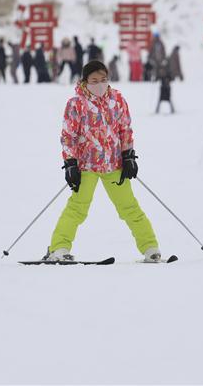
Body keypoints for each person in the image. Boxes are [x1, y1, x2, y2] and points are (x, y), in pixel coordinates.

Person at [45, 60, 162, 262]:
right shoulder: (76, 104)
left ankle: (151, 248)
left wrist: (128, 156)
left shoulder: (117, 100)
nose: (100, 84)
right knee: (77, 209)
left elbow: (125, 129)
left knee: (129, 207)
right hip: (86, 167)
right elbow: (68, 136)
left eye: (104, 79)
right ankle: (59, 249)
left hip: (114, 165)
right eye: (94, 80)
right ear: (85, 81)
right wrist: (71, 163)